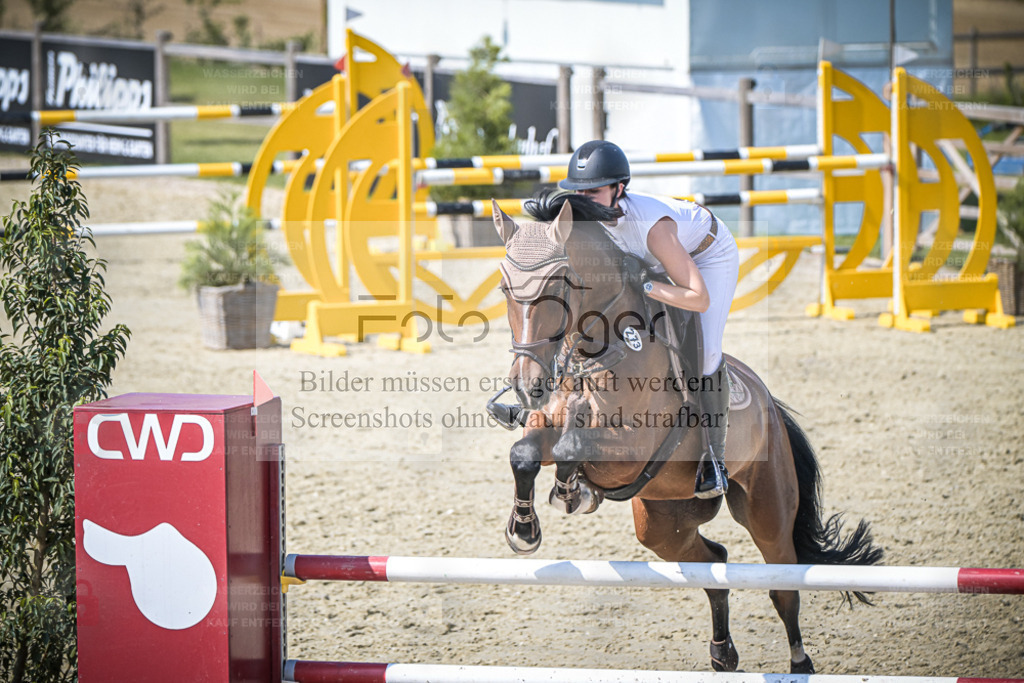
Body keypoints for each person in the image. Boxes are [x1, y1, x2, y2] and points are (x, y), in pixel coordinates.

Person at [558, 140, 739, 499]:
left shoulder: (652, 226)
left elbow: (697, 298)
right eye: (578, 192)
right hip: (649, 259)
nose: (583, 200)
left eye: (593, 192)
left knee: (706, 354)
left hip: (705, 257)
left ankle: (713, 460)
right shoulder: (590, 217)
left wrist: (647, 284)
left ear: (618, 189)